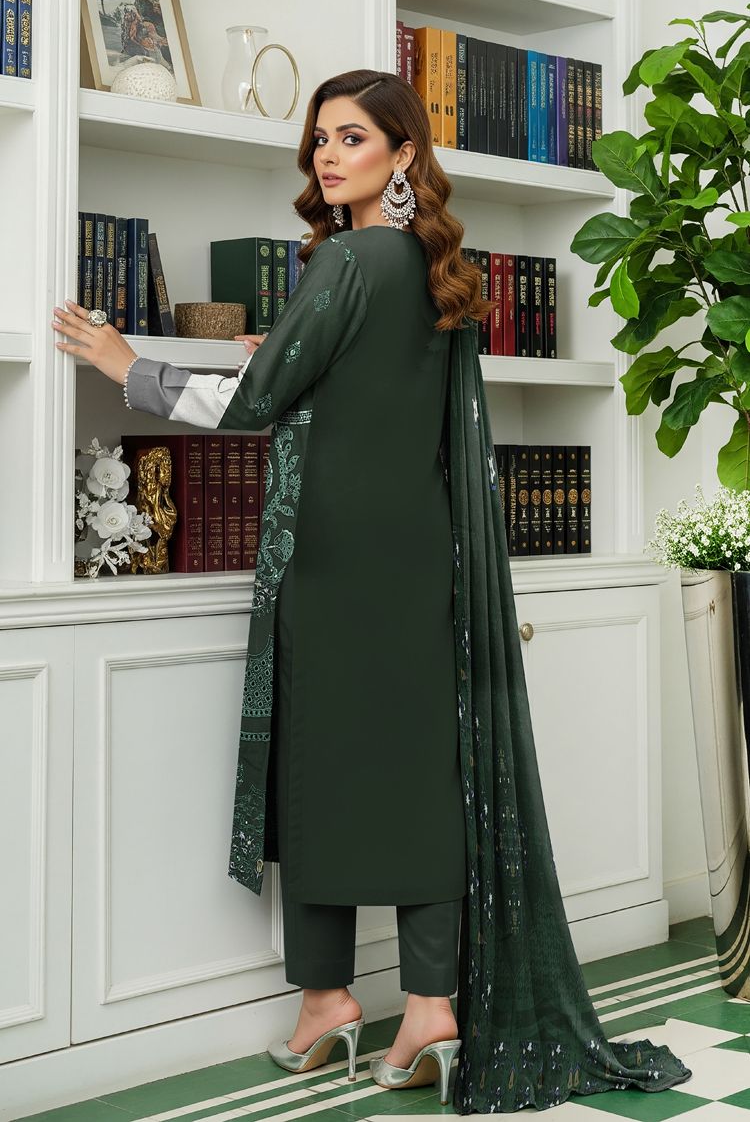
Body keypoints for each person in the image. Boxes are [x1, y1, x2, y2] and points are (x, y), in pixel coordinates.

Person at [52, 68, 693, 1114]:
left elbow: (256, 404)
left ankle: (327, 1002)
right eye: (320, 139)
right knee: (418, 779)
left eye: (352, 137)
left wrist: (129, 364)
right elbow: (356, 388)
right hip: (421, 560)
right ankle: (430, 1009)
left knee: (317, 777)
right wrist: (286, 354)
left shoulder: (347, 259)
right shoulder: (436, 272)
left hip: (335, 559)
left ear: (404, 154)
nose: (328, 154)